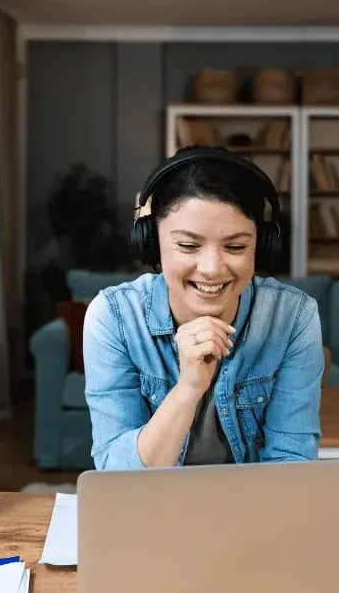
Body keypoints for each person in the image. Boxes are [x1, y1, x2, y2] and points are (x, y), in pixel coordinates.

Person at [81, 146, 325, 470]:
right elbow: (116, 476)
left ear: (261, 245)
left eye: (236, 246)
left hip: (254, 512)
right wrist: (188, 388)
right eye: (188, 245)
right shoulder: (114, 317)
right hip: (150, 512)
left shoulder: (293, 318)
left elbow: (291, 467)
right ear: (151, 241)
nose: (211, 268)